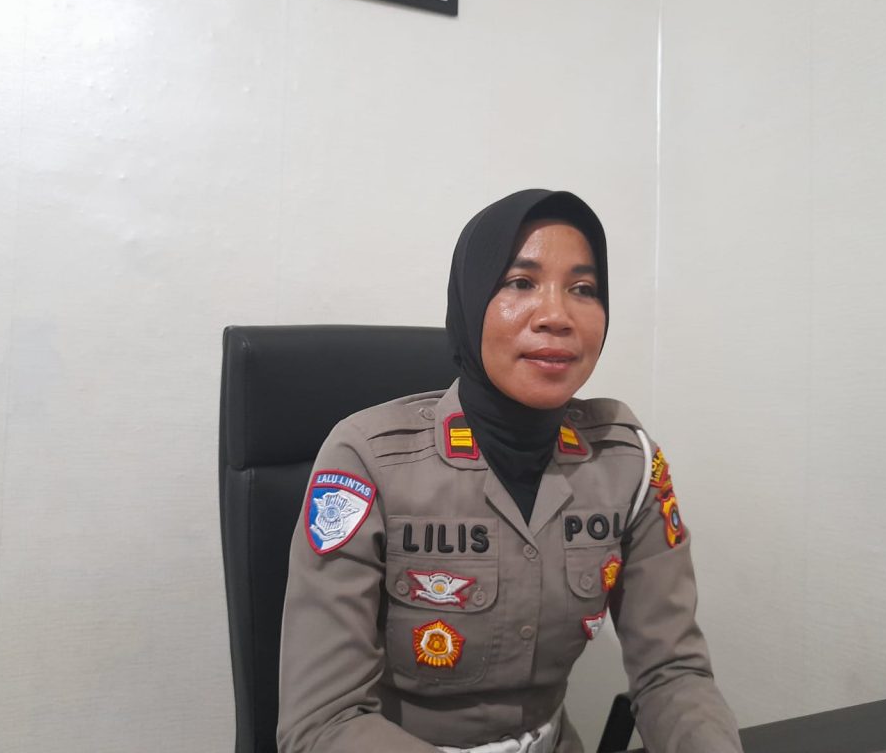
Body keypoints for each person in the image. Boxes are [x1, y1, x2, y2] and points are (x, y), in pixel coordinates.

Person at [276, 189, 743, 753]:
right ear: (471, 301)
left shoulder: (628, 461)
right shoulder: (368, 460)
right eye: (521, 283)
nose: (556, 316)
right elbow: (324, 722)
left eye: (583, 289)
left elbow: (672, 674)